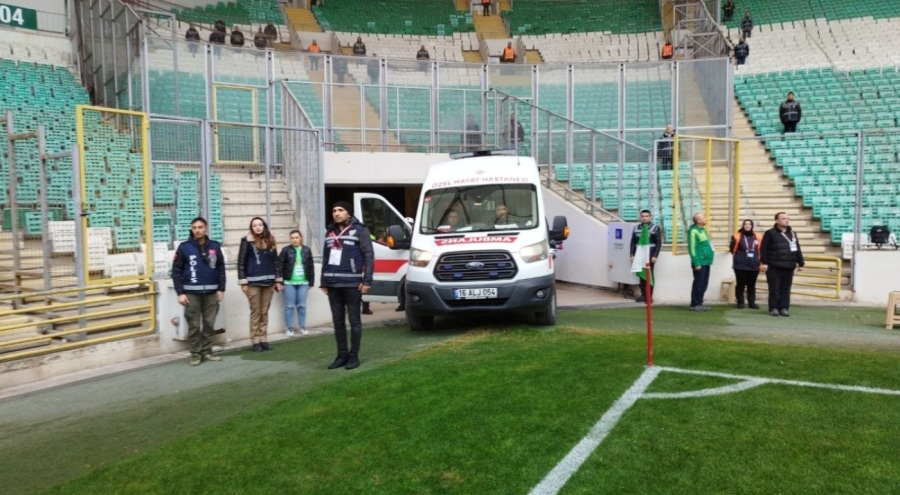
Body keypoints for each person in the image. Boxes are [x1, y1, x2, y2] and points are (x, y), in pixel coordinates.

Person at [321, 201, 374, 370]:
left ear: (348, 213)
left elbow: (368, 256)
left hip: (352, 283)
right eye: (334, 210)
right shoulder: (329, 231)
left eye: (340, 210)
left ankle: (354, 356)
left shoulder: (360, 230)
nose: (336, 213)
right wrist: (323, 281)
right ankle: (341, 355)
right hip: (332, 284)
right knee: (337, 322)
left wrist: (367, 281)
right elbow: (325, 257)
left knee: (354, 321)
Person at [171, 217, 226, 366]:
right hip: (191, 293)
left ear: (206, 228)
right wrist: (180, 292)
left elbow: (221, 269)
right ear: (191, 229)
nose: (197, 230)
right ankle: (195, 354)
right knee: (193, 325)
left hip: (211, 293)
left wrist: (221, 289)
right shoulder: (184, 247)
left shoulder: (214, 246)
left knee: (209, 323)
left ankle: (207, 351)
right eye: (194, 227)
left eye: (200, 227)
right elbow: (176, 271)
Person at [238, 217, 283, 352]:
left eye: (260, 225)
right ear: (251, 228)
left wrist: (278, 280)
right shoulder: (246, 241)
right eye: (254, 225)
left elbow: (276, 261)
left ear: (264, 226)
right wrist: (243, 283)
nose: (258, 227)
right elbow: (241, 262)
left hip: (269, 283)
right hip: (253, 283)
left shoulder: (270, 240)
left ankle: (263, 339)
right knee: (256, 312)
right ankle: (255, 341)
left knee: (264, 312)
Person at [760, 212, 805, 317]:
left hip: (789, 265)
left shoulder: (793, 233)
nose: (787, 220)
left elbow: (797, 248)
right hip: (774, 266)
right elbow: (763, 249)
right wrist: (764, 263)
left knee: (786, 288)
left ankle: (784, 308)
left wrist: (801, 263)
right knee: (774, 288)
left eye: (788, 218)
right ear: (776, 220)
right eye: (784, 218)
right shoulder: (769, 233)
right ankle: (774, 308)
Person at [280, 230, 314, 337]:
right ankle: (289, 329)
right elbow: (279, 266)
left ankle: (302, 327)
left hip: (303, 282)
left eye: (296, 237)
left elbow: (311, 266)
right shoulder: (285, 250)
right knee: (289, 306)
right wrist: (280, 282)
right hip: (289, 282)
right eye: (292, 238)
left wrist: (311, 282)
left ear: (301, 238)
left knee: (302, 306)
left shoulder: (307, 250)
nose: (294, 240)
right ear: (290, 239)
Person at [629, 209, 662, 303]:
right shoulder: (636, 228)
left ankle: (649, 296)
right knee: (641, 276)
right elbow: (633, 242)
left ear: (650, 217)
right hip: (639, 256)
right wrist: (631, 254)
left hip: (650, 256)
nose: (644, 218)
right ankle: (643, 295)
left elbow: (658, 243)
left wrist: (655, 255)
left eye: (646, 216)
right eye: (643, 216)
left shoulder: (655, 228)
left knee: (649, 276)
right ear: (640, 217)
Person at [729, 219, 762, 309]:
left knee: (752, 285)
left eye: (749, 224)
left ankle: (752, 302)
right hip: (740, 264)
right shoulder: (736, 236)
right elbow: (732, 249)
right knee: (740, 284)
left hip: (754, 264)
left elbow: (761, 249)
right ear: (743, 225)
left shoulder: (758, 236)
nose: (747, 225)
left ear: (752, 226)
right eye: (745, 224)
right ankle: (740, 302)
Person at [688, 212, 714, 311]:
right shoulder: (693, 231)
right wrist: (696, 262)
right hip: (700, 262)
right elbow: (692, 248)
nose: (706, 218)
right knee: (698, 283)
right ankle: (694, 304)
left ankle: (700, 302)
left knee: (704, 283)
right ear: (698, 221)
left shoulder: (703, 230)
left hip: (706, 261)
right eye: (703, 217)